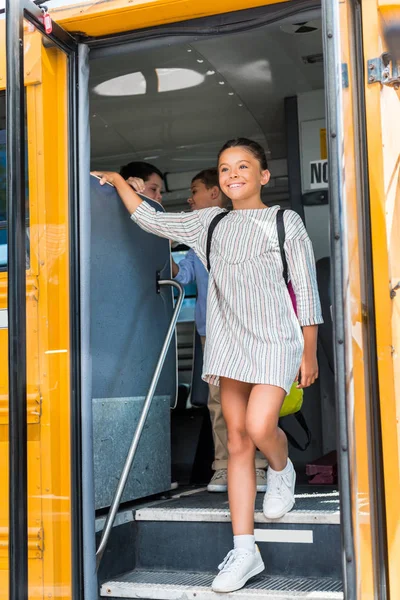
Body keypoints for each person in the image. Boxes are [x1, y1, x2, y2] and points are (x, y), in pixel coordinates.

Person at [92, 137, 322, 593]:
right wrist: (119, 181)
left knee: (260, 427)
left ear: (263, 175)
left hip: (277, 340)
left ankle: (281, 468)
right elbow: (149, 219)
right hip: (229, 341)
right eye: (224, 168)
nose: (232, 174)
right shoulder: (207, 222)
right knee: (237, 440)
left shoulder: (284, 220)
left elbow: (307, 287)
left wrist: (309, 351)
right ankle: (244, 549)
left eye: (243, 166)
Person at [172, 167, 268, 493]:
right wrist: (159, 242)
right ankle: (224, 467)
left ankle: (259, 467)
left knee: (252, 400)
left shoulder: (242, 228)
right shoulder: (195, 242)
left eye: (194, 191)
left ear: (215, 194)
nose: (189, 198)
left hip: (244, 328)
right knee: (217, 403)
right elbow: (179, 277)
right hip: (210, 332)